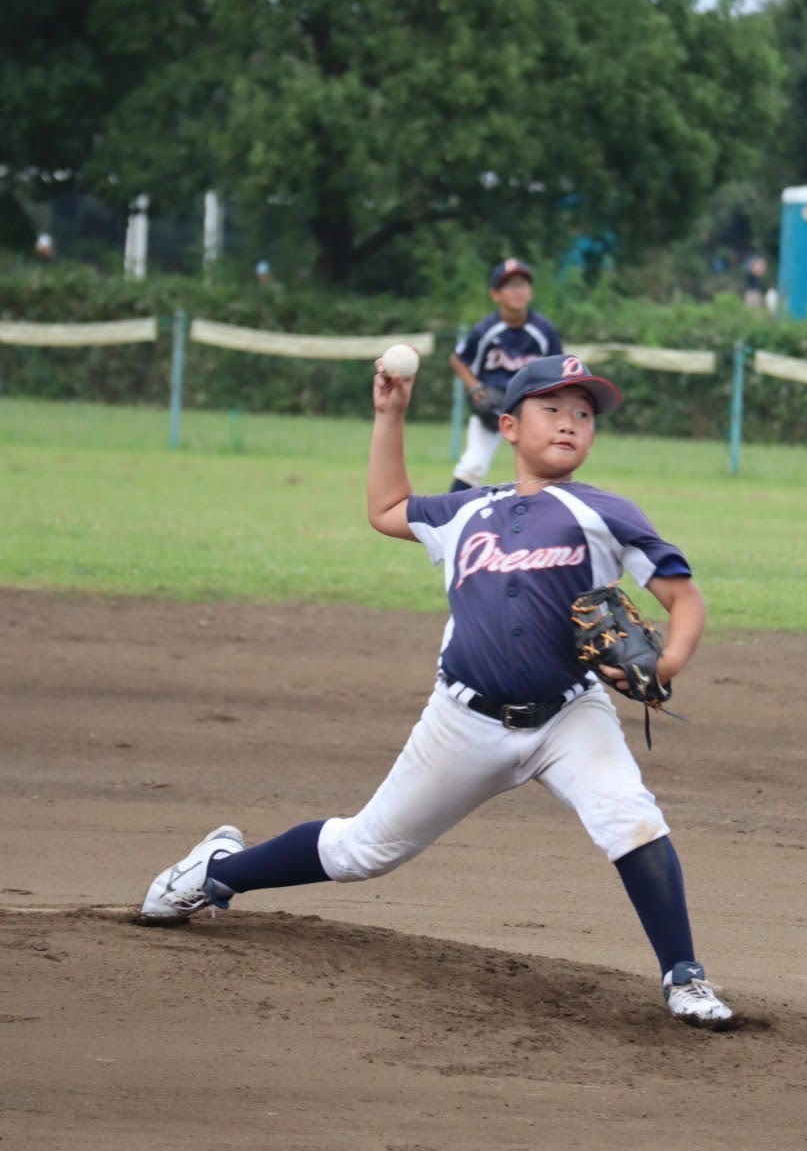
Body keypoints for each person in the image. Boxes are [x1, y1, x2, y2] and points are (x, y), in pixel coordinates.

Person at [139, 352, 736, 1029]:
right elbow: (387, 507)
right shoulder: (464, 512)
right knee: (362, 850)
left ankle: (684, 977)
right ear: (507, 426)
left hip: (570, 717)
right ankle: (220, 870)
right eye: (553, 409)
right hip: (463, 721)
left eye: (584, 413)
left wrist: (670, 664)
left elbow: (683, 598)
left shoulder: (603, 512)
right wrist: (390, 414)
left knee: (628, 815)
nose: (570, 423)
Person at [448, 258, 562, 492]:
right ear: (495, 294)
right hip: (493, 401)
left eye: (523, 284)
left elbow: (558, 368)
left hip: (531, 405)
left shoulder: (543, 330)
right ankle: (448, 520)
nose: (518, 291)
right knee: (473, 465)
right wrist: (474, 387)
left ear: (531, 292)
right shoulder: (486, 330)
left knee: (546, 467)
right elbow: (458, 359)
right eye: (510, 285)